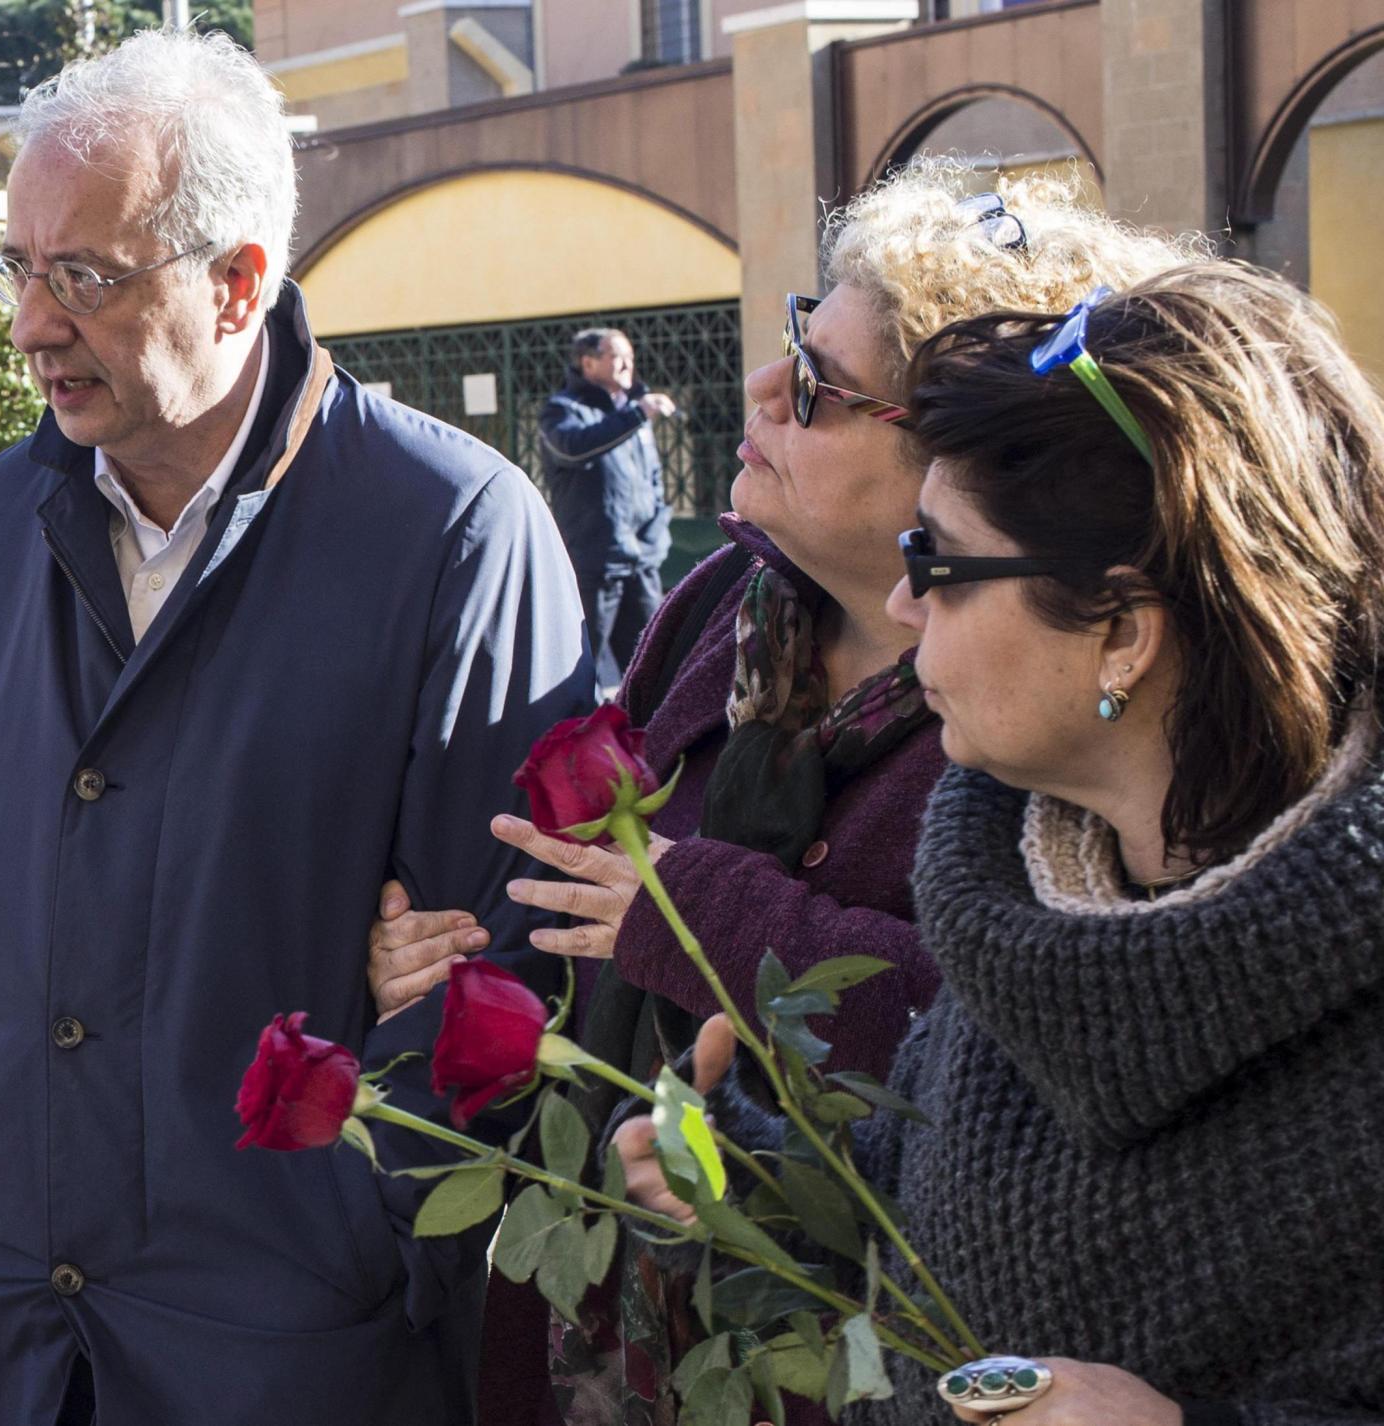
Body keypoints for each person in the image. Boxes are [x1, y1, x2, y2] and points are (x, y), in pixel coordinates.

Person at [0, 28, 590, 1426]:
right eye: (20, 266)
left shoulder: (454, 531)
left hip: (286, 1353)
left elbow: (512, 967)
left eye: (86, 277)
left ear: (241, 284)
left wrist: (349, 1232)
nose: (29, 325)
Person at [365, 164, 1197, 1426]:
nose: (761, 390)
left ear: (951, 453)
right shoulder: (722, 608)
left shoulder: (1049, 701)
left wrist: (719, 924)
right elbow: (592, 897)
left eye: (814, 389)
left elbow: (1051, 1042)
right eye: (790, 342)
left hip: (870, 1344)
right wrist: (457, 957)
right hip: (614, 1303)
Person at [625, 261, 1384, 1425]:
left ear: (1121, 634)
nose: (901, 606)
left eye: (937, 562)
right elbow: (928, 1235)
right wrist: (750, 1188)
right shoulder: (1016, 894)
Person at [539, 328, 675, 694]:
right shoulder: (562, 411)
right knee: (577, 671)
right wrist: (635, 416)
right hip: (594, 564)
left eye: (630, 356)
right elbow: (572, 449)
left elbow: (652, 479)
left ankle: (649, 747)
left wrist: (656, 535)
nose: (629, 365)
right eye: (617, 357)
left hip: (640, 562)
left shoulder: (631, 412)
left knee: (653, 668)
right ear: (588, 362)